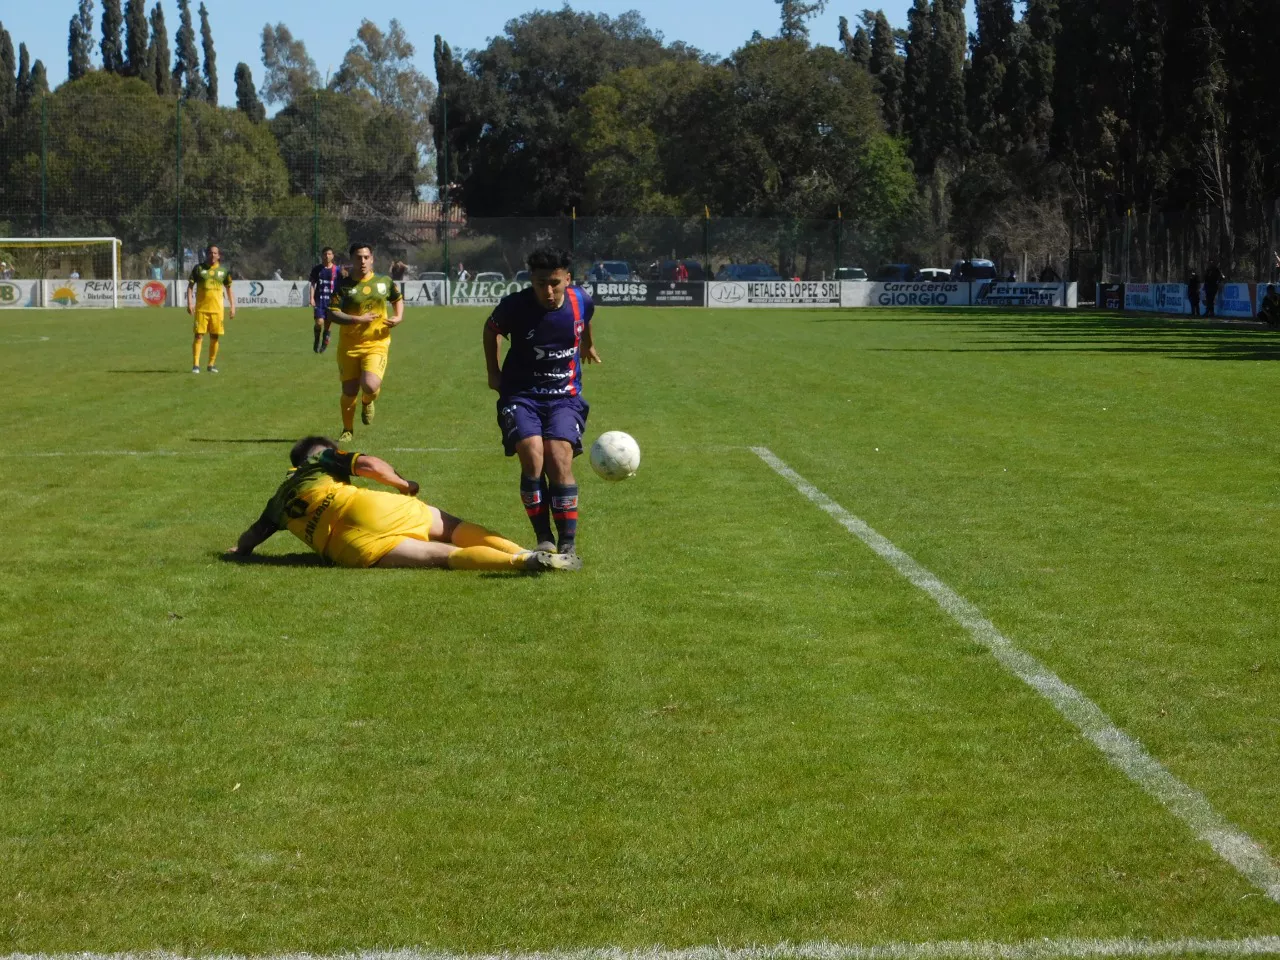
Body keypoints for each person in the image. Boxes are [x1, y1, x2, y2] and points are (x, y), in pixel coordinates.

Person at [226, 436, 581, 571]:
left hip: (345, 549)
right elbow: (366, 465)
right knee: (453, 531)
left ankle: (523, 563)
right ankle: (526, 551)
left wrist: (236, 552)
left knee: (441, 557)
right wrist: (401, 483)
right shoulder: (317, 461)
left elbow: (250, 539)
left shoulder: (276, 502)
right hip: (365, 508)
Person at [484, 246, 601, 557]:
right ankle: (543, 538)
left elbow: (586, 317)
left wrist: (588, 345)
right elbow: (491, 329)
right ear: (530, 281)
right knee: (533, 456)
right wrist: (493, 373)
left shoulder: (580, 300)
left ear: (567, 279)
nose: (547, 291)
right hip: (522, 394)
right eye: (539, 284)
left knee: (559, 458)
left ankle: (568, 544)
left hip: (565, 396)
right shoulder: (515, 306)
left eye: (554, 283)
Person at [326, 242, 404, 443]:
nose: (362, 261)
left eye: (366, 257)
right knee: (349, 391)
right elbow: (332, 313)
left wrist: (398, 317)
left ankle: (367, 400)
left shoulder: (384, 282)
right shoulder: (343, 285)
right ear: (351, 259)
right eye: (358, 257)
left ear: (372, 259)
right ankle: (347, 430)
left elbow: (397, 298)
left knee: (369, 385)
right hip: (349, 346)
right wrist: (357, 319)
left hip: (376, 343)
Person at [186, 244, 236, 374]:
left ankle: (211, 364)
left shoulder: (224, 271)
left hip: (217, 310)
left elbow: (229, 289)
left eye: (215, 253)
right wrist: (190, 303)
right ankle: (196, 365)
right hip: (202, 309)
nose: (212, 255)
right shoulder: (198, 269)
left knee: (215, 337)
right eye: (210, 253)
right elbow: (190, 287)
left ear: (219, 255)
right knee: (198, 336)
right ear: (207, 254)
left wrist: (232, 307)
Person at [309, 247, 340, 354]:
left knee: (328, 325)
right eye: (325, 254)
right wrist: (311, 298)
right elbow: (313, 284)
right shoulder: (317, 269)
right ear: (322, 256)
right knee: (319, 322)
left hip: (332, 302)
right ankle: (317, 339)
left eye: (329, 254)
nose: (327, 256)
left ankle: (324, 343)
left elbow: (341, 286)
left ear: (333, 256)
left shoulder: (337, 270)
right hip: (319, 300)